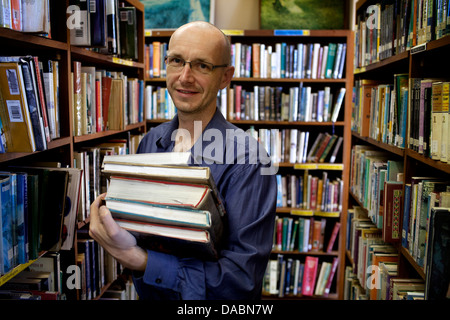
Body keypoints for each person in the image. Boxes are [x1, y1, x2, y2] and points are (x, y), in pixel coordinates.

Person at [89, 21, 277, 300]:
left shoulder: (251, 161)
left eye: (202, 65)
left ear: (226, 77)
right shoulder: (151, 143)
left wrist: (141, 260)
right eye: (177, 61)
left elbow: (240, 282)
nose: (185, 77)